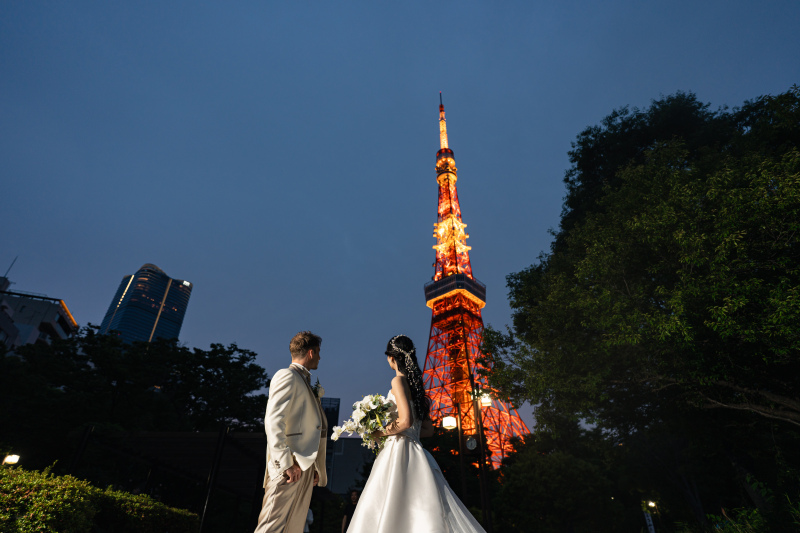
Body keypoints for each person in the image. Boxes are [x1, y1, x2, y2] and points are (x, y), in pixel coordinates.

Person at [346, 335, 487, 533]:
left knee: (392, 502)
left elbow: (405, 421)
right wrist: (410, 432)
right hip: (417, 451)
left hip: (398, 450)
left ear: (392, 358)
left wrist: (380, 432)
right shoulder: (417, 388)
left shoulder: (398, 381)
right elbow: (428, 430)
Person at [254, 331, 327, 533]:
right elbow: (274, 420)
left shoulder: (304, 381)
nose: (320, 357)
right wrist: (285, 463)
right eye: (318, 352)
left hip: (304, 467)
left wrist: (314, 468)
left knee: (293, 528)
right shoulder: (287, 375)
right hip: (289, 465)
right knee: (270, 526)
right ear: (311, 353)